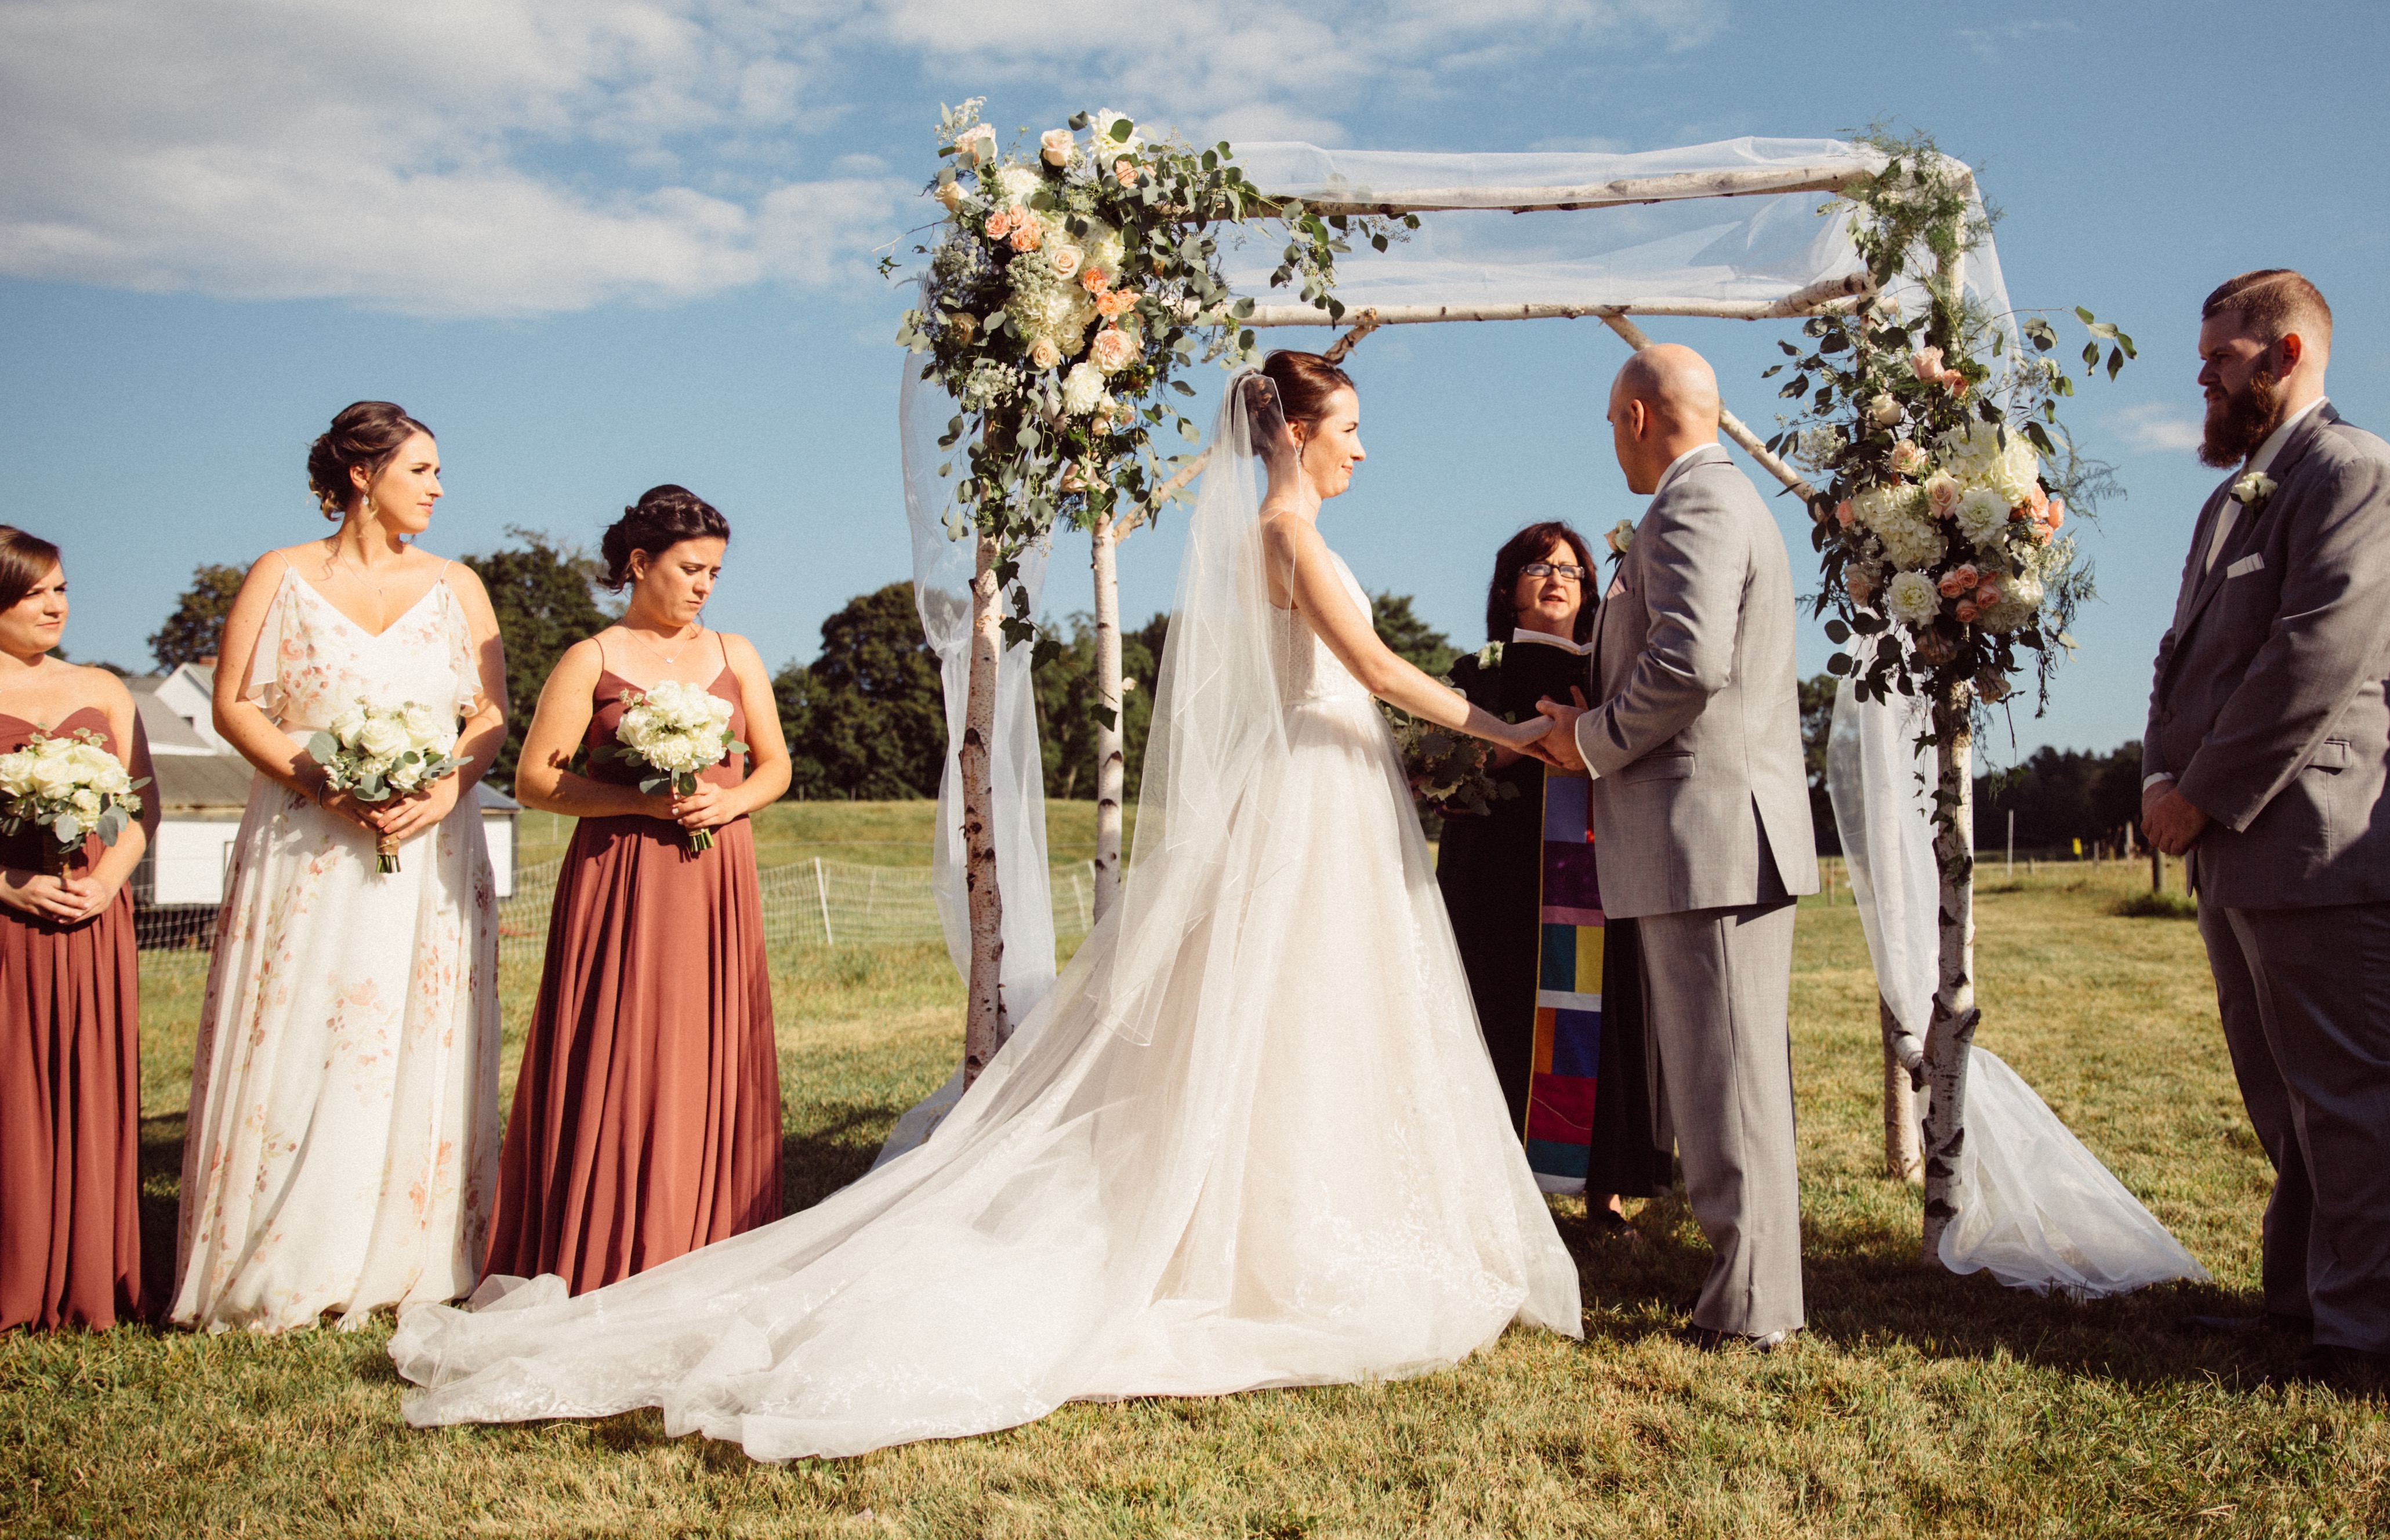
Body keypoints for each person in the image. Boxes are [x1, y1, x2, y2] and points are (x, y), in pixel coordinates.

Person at [390, 354, 1580, 1456]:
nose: (1363, 452)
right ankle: (1280, 1237)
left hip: (1321, 792)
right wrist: (1507, 731)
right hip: (1311, 800)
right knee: (1302, 1008)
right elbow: (1375, 671)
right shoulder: (1287, 526)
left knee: (1309, 1013)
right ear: (1299, 435)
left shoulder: (1279, 530)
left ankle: (1289, 1211)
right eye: (1353, 431)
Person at [2139, 270, 2390, 1383]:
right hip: (2235, 845)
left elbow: (2313, 659)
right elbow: (2179, 659)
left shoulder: (2355, 475)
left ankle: (2365, 1332)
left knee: (2351, 1093)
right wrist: (2154, 776)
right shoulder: (2234, 498)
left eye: (2221, 359)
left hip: (2324, 836)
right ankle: (2300, 1300)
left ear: (2289, 354)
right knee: (2281, 1088)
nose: (2207, 381)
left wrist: (2199, 792)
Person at [173, 402, 507, 1332]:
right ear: (363, 476)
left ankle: (414, 1257)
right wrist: (324, 784)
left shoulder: (458, 584)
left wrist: (446, 790)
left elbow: (488, 714)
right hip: (308, 837)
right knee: (306, 1024)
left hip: (430, 831)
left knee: (412, 1030)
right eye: (423, 470)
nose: (440, 488)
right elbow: (235, 703)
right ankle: (283, 1253)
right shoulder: (280, 575)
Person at [1528, 344, 1820, 1353]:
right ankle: (1754, 1291)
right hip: (1712, 834)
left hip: (1712, 837)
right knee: (1727, 1077)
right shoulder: (1722, 504)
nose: (1613, 442)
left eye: (1615, 422)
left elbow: (1690, 663)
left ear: (1643, 415)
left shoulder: (1695, 505)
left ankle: (1749, 1310)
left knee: (1725, 1080)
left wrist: (1590, 741)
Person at [486, 486, 791, 1295]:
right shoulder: (590, 659)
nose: (704, 586)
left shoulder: (737, 654)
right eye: (691, 568)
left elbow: (776, 766)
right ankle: (611, 1239)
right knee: (625, 1051)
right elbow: (535, 780)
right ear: (639, 563)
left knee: (707, 1047)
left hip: (715, 875)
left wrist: (729, 801)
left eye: (715, 573)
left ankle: (712, 1234)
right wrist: (636, 801)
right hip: (621, 876)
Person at [1437, 521, 1672, 1226]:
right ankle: (1497, 1184)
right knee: (1500, 1012)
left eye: (1572, 569)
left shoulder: (1615, 670)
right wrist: (1516, 743)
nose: (1556, 577)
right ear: (1508, 589)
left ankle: (1606, 1188)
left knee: (1605, 1016)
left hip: (1598, 869)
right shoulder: (1476, 669)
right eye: (1538, 566)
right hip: (1500, 881)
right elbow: (1443, 771)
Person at [0, 529, 157, 1331]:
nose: (56, 605)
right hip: (6, 920)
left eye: (62, 589)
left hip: (93, 917)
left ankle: (92, 1274)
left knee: (88, 1085)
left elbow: (141, 808)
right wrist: (8, 884)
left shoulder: (102, 685)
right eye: (36, 594)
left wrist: (105, 883)